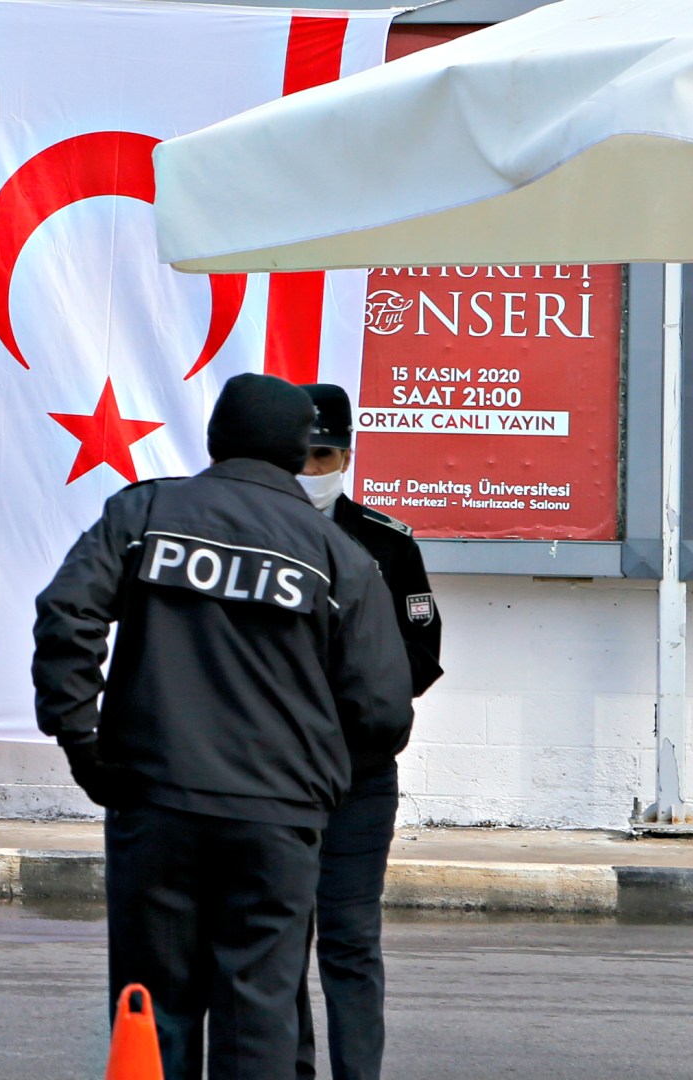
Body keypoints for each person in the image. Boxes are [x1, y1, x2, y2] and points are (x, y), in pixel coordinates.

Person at [31, 373, 414, 1079]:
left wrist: (81, 738)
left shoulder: (145, 512)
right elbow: (384, 711)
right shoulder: (339, 559)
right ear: (301, 453)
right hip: (276, 818)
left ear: (213, 437)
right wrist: (317, 776)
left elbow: (67, 613)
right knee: (260, 1014)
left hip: (155, 800)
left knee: (155, 1008)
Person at [294, 382, 441, 1080]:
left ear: (347, 456)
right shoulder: (252, 538)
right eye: (298, 456)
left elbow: (420, 656)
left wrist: (341, 689)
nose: (310, 471)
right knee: (278, 945)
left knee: (350, 941)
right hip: (276, 777)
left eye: (323, 456)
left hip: (357, 775)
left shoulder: (385, 544)